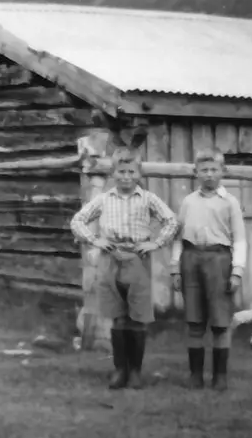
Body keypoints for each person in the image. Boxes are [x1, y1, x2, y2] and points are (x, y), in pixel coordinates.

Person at [70, 146, 179, 390]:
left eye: (131, 172)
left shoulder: (148, 199)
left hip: (137, 259)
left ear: (138, 174)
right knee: (118, 318)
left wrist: (155, 243)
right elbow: (77, 220)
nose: (126, 177)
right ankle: (120, 370)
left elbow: (171, 220)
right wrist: (95, 239)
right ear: (113, 173)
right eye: (121, 172)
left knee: (137, 318)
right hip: (110, 259)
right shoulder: (104, 199)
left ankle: (136, 372)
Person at [171, 147, 248, 391]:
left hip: (219, 260)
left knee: (220, 321)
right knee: (194, 320)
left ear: (222, 172)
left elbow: (240, 240)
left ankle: (220, 376)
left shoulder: (230, 203)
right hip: (191, 258)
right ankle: (195, 375)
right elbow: (177, 237)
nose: (209, 175)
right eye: (203, 170)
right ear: (196, 173)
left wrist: (237, 270)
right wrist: (175, 268)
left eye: (214, 170)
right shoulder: (188, 202)